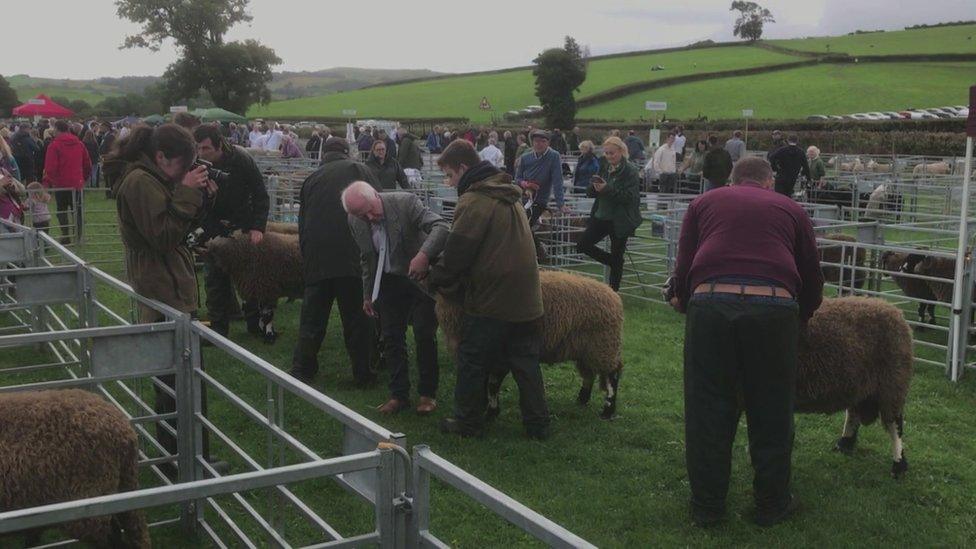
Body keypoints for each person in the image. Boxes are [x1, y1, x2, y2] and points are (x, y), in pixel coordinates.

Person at [669, 156, 823, 528]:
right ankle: (771, 504)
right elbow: (812, 276)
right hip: (774, 307)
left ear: (733, 181)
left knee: (707, 406)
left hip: (711, 303)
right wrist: (800, 318)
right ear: (770, 182)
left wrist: (681, 297)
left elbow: (685, 262)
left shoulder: (704, 203)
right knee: (772, 409)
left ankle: (707, 507)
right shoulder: (791, 208)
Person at [107, 123, 218, 474]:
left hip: (169, 286)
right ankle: (180, 462)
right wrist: (186, 193)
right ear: (160, 157)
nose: (185, 172)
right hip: (162, 290)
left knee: (186, 380)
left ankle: (190, 456)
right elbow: (163, 235)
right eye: (182, 165)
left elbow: (176, 224)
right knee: (174, 383)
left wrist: (199, 195)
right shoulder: (140, 182)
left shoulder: (152, 177)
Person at [428, 140, 549, 439]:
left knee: (471, 357)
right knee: (525, 361)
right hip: (527, 296)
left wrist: (433, 277)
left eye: (450, 175)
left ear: (464, 168)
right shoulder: (510, 195)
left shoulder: (475, 200)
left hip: (493, 298)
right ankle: (537, 425)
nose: (449, 182)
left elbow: (458, 252)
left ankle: (467, 421)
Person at [343, 181, 449, 415]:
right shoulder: (355, 220)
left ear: (376, 195)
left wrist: (423, 255)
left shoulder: (405, 203)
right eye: (362, 215)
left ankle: (427, 394)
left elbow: (441, 227)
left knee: (423, 334)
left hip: (420, 280)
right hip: (389, 280)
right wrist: (368, 294)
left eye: (371, 209)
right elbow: (366, 257)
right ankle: (398, 394)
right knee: (391, 337)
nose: (370, 217)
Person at [290, 137, 379, 387]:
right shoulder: (359, 170)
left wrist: (307, 257)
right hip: (352, 257)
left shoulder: (311, 179)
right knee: (357, 319)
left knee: (312, 317)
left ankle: (302, 369)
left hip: (318, 258)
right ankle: (363, 373)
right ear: (346, 152)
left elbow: (302, 222)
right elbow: (377, 208)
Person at [193, 124, 271, 336]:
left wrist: (257, 226)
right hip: (213, 226)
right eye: (198, 148)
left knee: (248, 277)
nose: (202, 153)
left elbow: (260, 193)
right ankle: (218, 329)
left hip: (242, 224)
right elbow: (195, 203)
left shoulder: (241, 159)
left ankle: (255, 324)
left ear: (219, 145)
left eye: (206, 148)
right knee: (214, 278)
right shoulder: (198, 166)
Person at [576, 137, 642, 291]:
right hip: (601, 215)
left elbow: (630, 198)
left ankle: (613, 292)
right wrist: (594, 187)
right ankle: (614, 261)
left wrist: (607, 189)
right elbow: (591, 192)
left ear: (621, 151)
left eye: (612, 153)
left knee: (617, 252)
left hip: (620, 219)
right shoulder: (604, 166)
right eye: (606, 153)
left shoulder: (630, 171)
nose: (609, 156)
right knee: (582, 245)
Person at [44, 120, 92, 244]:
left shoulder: (54, 145)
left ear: (57, 129)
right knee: (78, 210)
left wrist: (52, 181)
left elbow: (50, 168)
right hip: (77, 183)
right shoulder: (79, 144)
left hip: (61, 185)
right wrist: (83, 178)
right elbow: (87, 163)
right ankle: (80, 237)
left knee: (62, 210)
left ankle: (66, 236)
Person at [515, 129, 568, 224]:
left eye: (543, 141)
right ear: (532, 143)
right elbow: (517, 178)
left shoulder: (554, 156)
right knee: (518, 224)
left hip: (540, 199)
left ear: (548, 143)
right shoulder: (525, 157)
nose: (539, 144)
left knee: (526, 224)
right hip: (524, 197)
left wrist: (561, 204)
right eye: (536, 141)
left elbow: (557, 180)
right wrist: (525, 184)